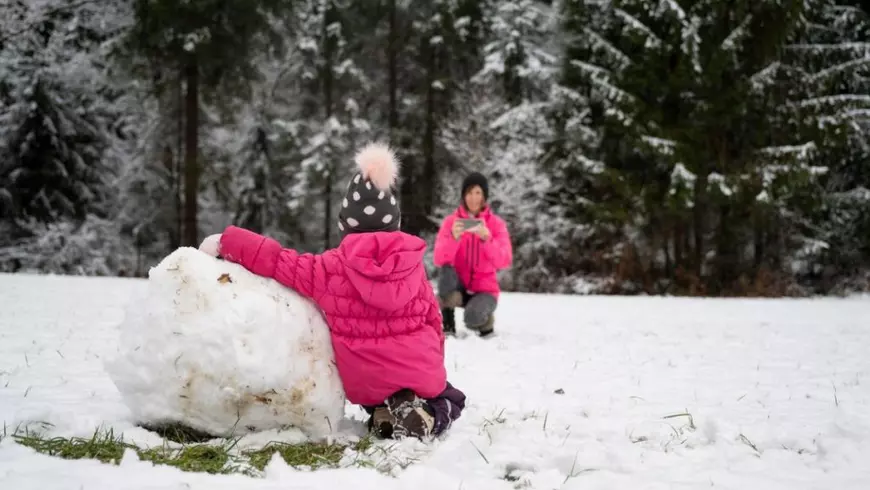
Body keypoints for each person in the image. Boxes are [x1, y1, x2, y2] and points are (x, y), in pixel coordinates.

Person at [197, 142, 465, 440]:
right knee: (451, 399)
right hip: (418, 370)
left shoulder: (328, 268)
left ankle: (381, 412)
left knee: (377, 391)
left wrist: (229, 241)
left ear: (345, 226)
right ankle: (426, 418)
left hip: (365, 380)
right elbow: (433, 320)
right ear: (395, 223)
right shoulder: (413, 267)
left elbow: (276, 260)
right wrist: (433, 359)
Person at [433, 172, 512, 337]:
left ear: (484, 196)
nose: (473, 198)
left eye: (478, 193)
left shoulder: (496, 224)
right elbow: (439, 259)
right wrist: (453, 238)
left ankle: (484, 321)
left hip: (485, 290)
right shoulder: (451, 222)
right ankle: (447, 326)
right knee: (446, 271)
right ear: (463, 196)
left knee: (473, 317)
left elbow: (504, 261)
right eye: (469, 193)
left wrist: (486, 239)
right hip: (459, 287)